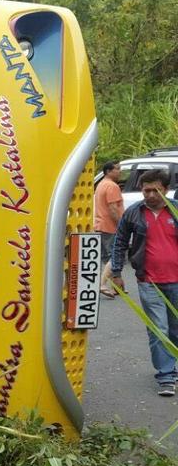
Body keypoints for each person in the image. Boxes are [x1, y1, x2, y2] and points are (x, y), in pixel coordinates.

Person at [111, 168, 178, 397]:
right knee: (159, 328)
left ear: (165, 189)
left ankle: (172, 365)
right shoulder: (134, 213)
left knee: (175, 328)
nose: (149, 195)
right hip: (148, 280)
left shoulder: (176, 211)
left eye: (154, 190)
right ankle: (166, 376)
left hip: (176, 281)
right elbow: (119, 242)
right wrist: (116, 272)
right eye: (145, 190)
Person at [95, 161, 124, 298]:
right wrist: (121, 225)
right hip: (110, 225)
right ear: (108, 171)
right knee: (115, 256)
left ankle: (118, 285)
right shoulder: (112, 186)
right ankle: (101, 284)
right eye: (117, 169)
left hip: (100, 224)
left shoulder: (101, 184)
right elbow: (113, 208)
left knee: (108, 257)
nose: (120, 171)